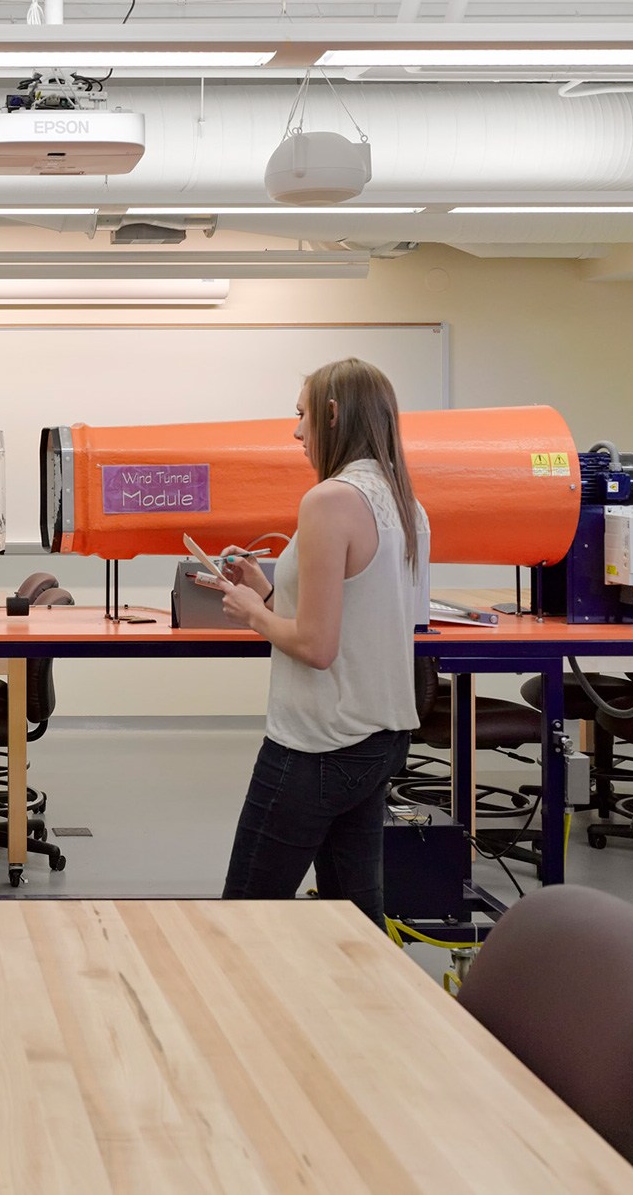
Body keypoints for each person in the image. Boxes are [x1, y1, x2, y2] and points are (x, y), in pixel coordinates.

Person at [206, 357, 429, 925]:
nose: (297, 431)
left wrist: (254, 612)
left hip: (316, 744)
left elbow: (317, 646)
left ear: (332, 414)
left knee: (246, 916)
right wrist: (270, 589)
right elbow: (354, 620)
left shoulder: (330, 500)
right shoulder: (405, 504)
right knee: (353, 921)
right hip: (375, 740)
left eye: (302, 415)